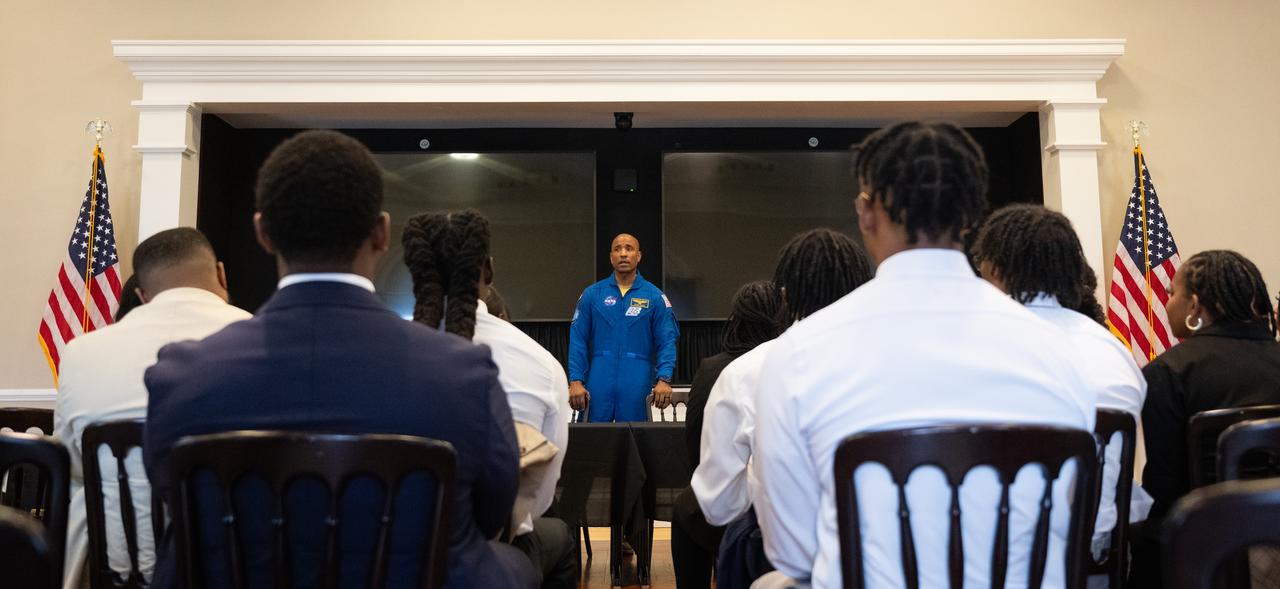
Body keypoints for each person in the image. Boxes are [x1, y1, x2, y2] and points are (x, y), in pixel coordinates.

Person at [143, 130, 536, 589]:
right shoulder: (463, 373)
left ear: (263, 233)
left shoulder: (181, 376)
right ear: (382, 232)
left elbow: (174, 500)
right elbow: (491, 512)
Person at [752, 121, 1096, 589]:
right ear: (972, 217)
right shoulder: (1059, 352)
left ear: (865, 213)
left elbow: (794, 552)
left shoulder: (800, 351)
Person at [54, 228, 250, 589]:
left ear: (142, 295)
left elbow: (72, 462)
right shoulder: (259, 338)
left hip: (114, 565)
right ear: (221, 274)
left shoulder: (80, 351)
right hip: (229, 565)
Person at [401, 209, 577, 589]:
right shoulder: (540, 364)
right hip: (481, 559)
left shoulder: (381, 356)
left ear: (415, 271)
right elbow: (539, 497)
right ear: (489, 271)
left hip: (389, 556)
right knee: (558, 534)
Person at [971, 204, 1148, 582]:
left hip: (1003, 564)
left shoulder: (981, 351)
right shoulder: (1112, 349)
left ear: (997, 273)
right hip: (1101, 561)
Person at [692, 229, 873, 587]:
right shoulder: (893, 364)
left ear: (785, 295)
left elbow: (718, 506)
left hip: (784, 563)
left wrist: (762, 477)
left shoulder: (745, 372)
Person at [1128, 250, 1280, 589]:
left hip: (1210, 542)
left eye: (1170, 294)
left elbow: (1167, 490)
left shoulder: (1167, 373)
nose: (1166, 304)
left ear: (1194, 306)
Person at [673, 280, 787, 588]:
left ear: (735, 319)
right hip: (803, 512)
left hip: (742, 514)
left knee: (688, 507)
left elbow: (698, 451)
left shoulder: (715, 370)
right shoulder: (802, 361)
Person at [568, 233, 680, 422]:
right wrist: (576, 380)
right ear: (611, 257)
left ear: (639, 256)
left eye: (629, 248)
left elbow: (667, 340)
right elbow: (577, 339)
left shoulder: (655, 297)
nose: (623, 254)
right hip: (599, 378)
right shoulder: (592, 295)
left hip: (637, 379)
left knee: (635, 440)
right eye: (618, 249)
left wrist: (664, 379)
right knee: (592, 442)